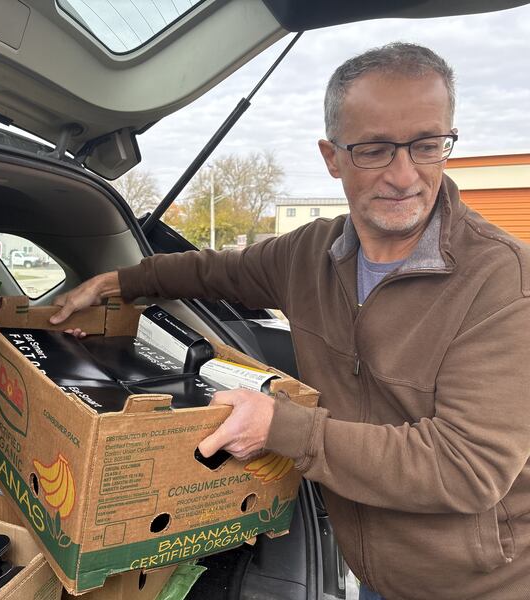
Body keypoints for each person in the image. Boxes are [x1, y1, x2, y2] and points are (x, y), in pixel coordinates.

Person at [49, 43, 530, 599]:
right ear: (332, 157)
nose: (405, 175)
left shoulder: (504, 283)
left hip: (483, 585)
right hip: (370, 571)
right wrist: (115, 283)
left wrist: (280, 427)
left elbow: (467, 468)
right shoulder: (308, 254)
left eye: (427, 146)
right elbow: (215, 272)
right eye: (374, 150)